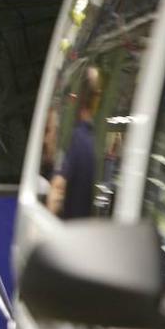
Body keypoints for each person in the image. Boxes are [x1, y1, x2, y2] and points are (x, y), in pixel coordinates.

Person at [48, 66, 102, 219]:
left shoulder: (73, 140)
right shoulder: (94, 142)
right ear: (97, 98)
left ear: (75, 97)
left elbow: (57, 190)